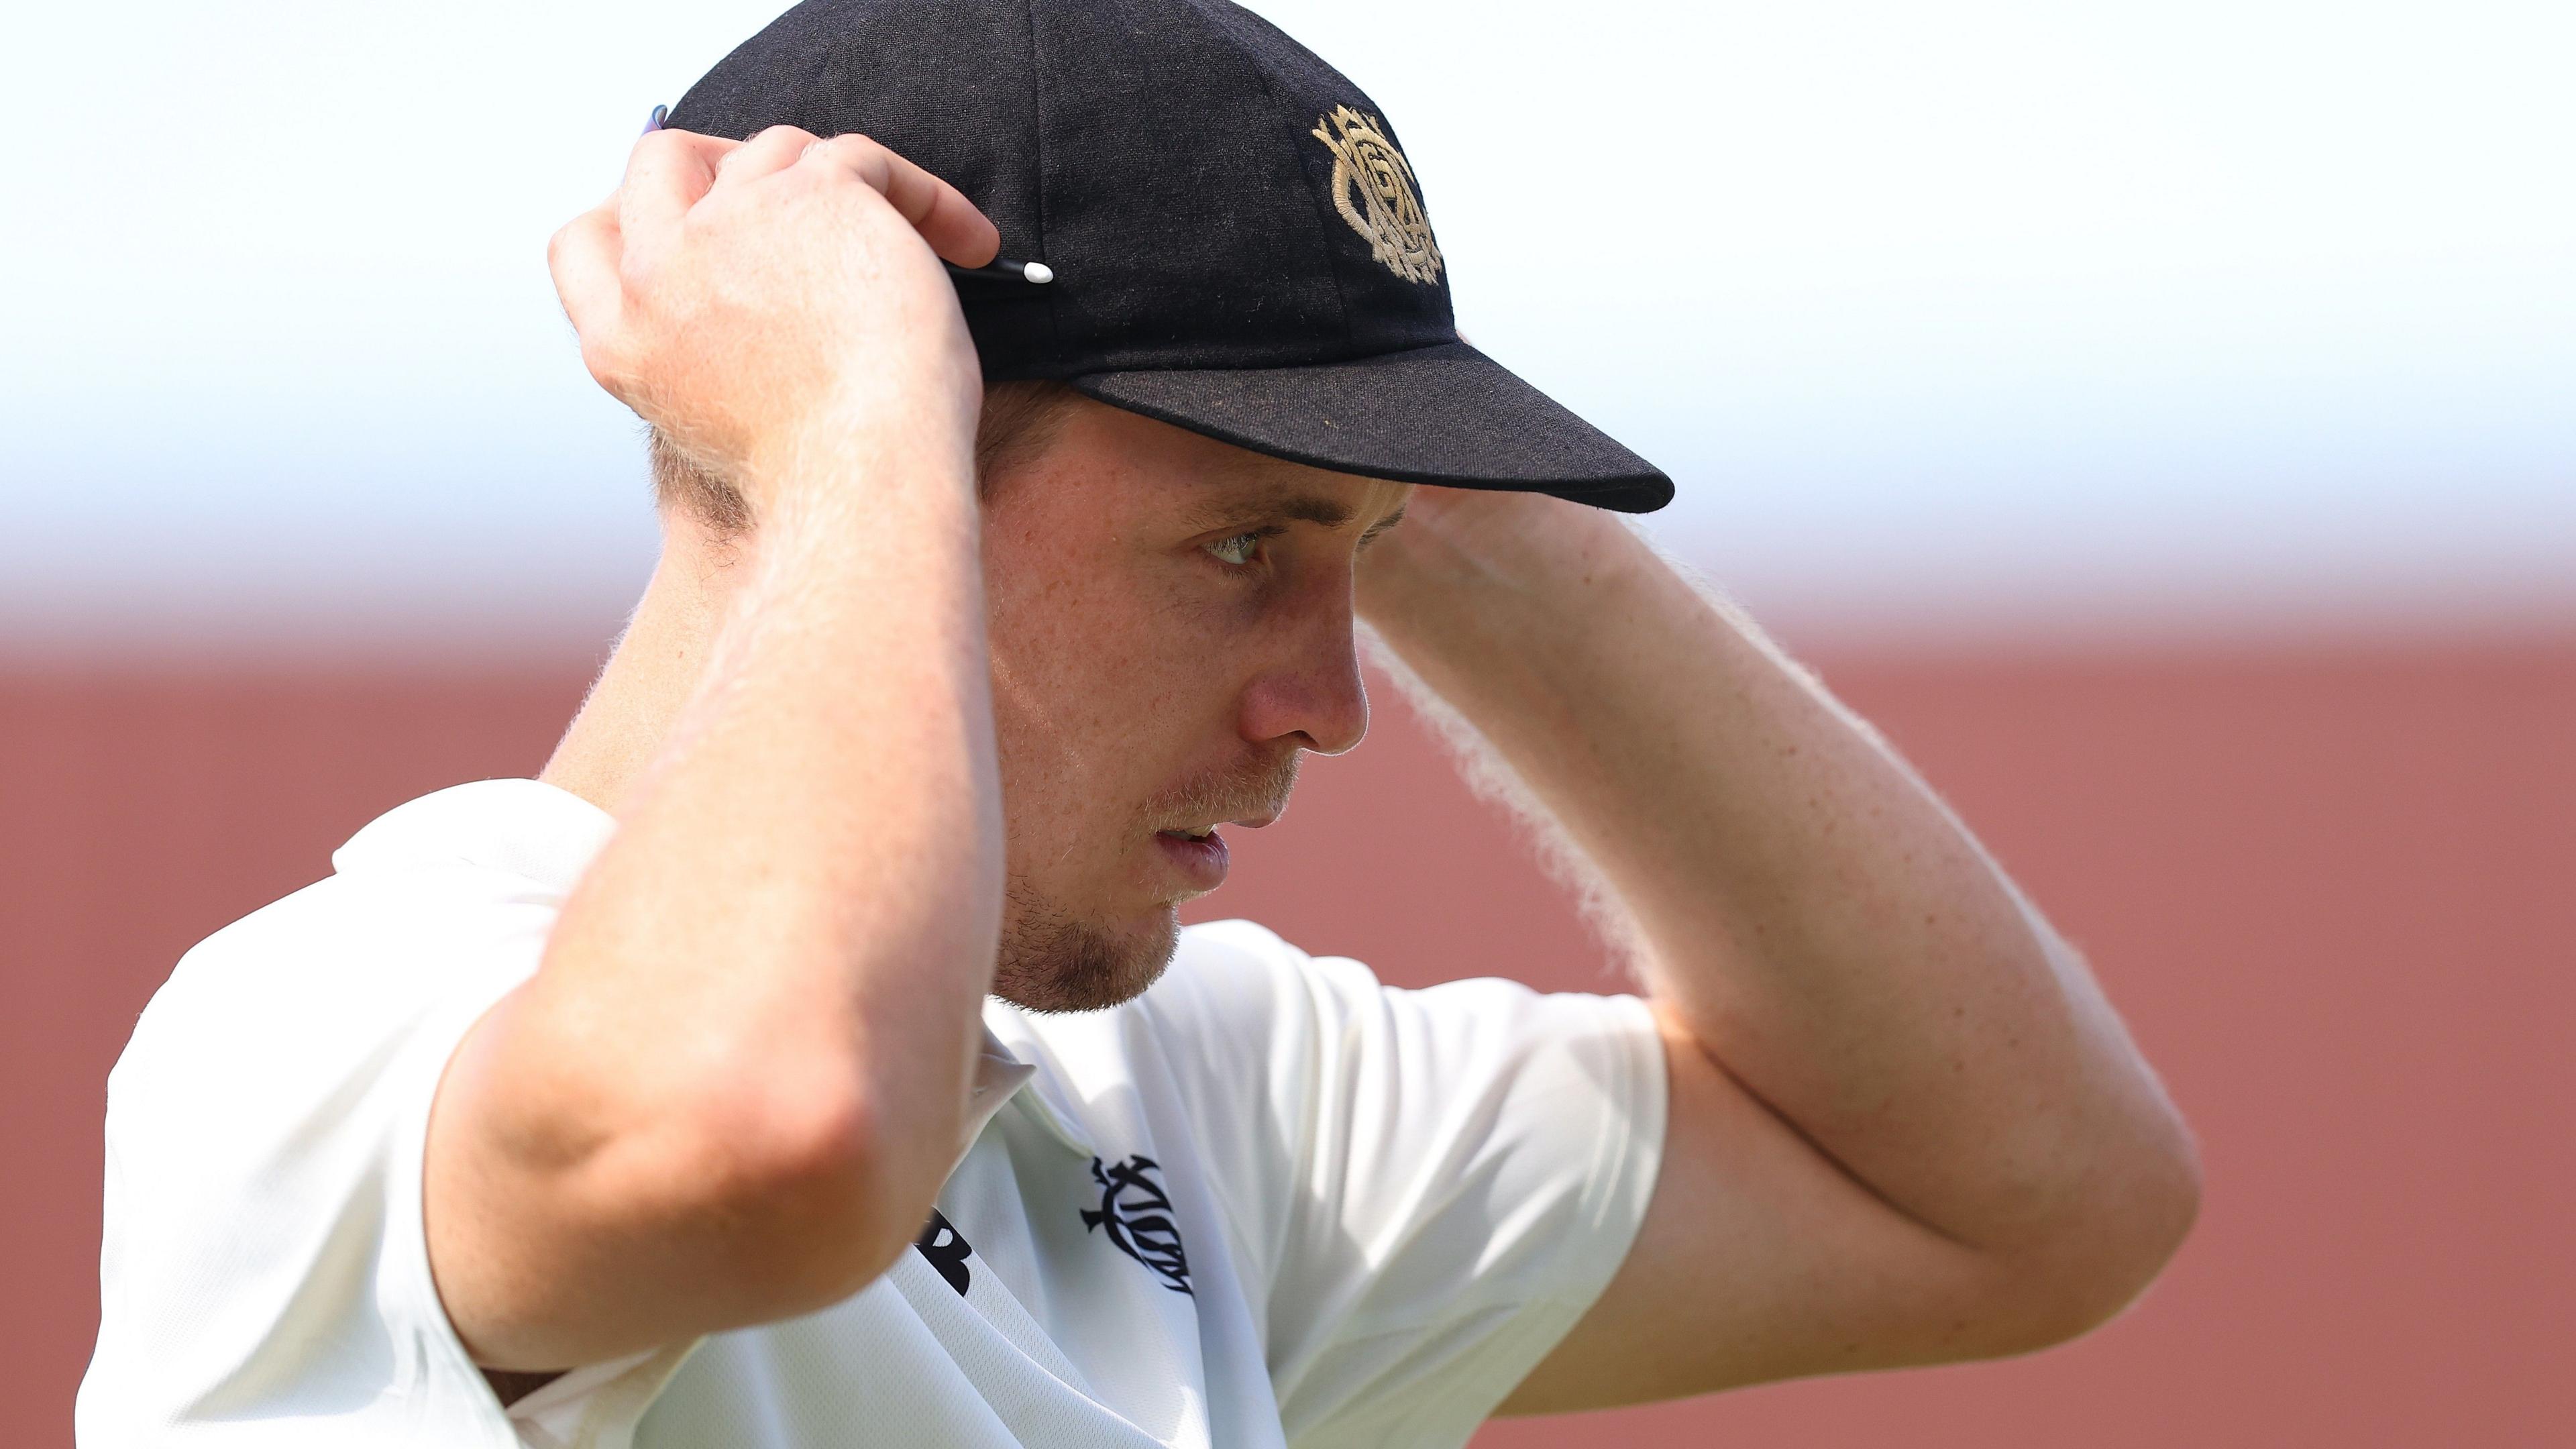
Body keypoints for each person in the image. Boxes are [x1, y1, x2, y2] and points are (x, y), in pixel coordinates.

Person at [77, 1, 2200, 1444]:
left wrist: (1418, 482)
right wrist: (847, 418)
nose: (1333, 702)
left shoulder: (1176, 1098)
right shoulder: (338, 1020)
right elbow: (766, 1124)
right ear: (863, 451)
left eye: (1357, 554)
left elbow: (2034, 1195)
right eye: (1237, 552)